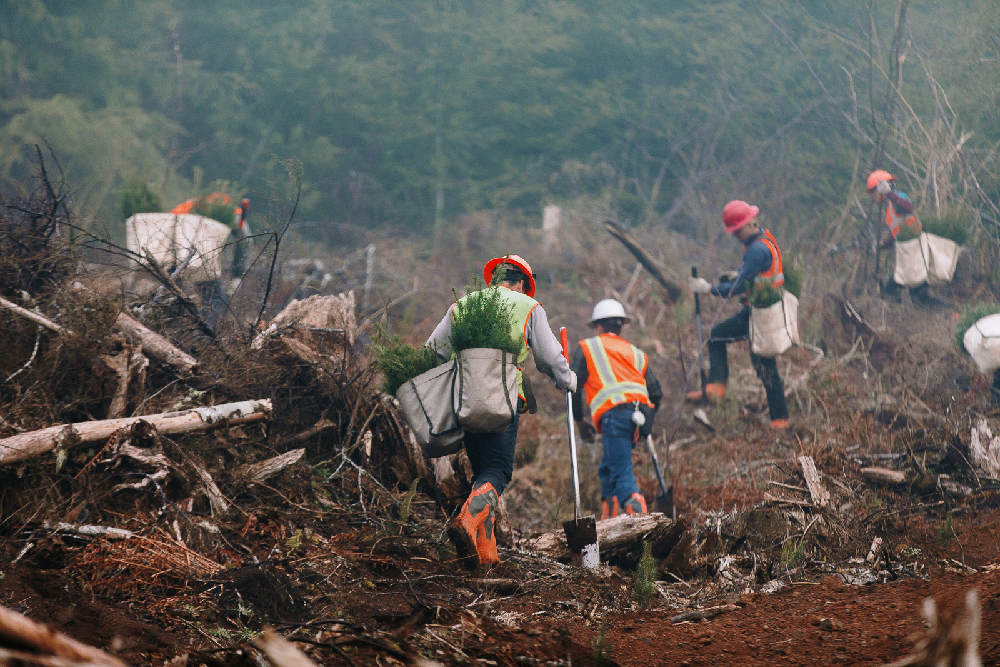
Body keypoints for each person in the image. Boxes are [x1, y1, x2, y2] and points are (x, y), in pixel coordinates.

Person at [426, 254, 577, 570]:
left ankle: (486, 557)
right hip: (503, 402)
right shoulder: (527, 307)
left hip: (464, 402)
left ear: (493, 279)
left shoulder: (462, 305)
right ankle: (466, 520)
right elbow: (549, 359)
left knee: (482, 476)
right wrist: (568, 379)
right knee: (498, 472)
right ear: (521, 283)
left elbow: (432, 351)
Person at [686, 200, 790, 430]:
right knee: (723, 340)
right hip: (760, 310)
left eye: (737, 231)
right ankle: (719, 388)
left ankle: (778, 420)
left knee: (762, 364)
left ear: (748, 224)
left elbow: (737, 289)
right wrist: (740, 274)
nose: (735, 236)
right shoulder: (763, 238)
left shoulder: (756, 249)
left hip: (760, 316)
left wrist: (708, 288)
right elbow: (758, 274)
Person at [571, 299, 661, 520]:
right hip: (637, 418)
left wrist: (580, 421)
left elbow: (573, 387)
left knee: (622, 475)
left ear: (598, 326)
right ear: (621, 326)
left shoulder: (588, 347)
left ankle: (642, 527)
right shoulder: (636, 353)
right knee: (608, 468)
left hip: (615, 416)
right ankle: (608, 522)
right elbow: (656, 392)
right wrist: (647, 418)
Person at [867, 169, 941, 307]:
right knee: (917, 298)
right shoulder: (889, 206)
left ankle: (948, 313)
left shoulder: (898, 198)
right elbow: (896, 232)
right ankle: (902, 315)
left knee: (905, 292)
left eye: (873, 192)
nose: (872, 196)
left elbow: (908, 207)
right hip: (909, 254)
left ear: (882, 188)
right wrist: (882, 245)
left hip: (915, 251)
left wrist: (889, 193)